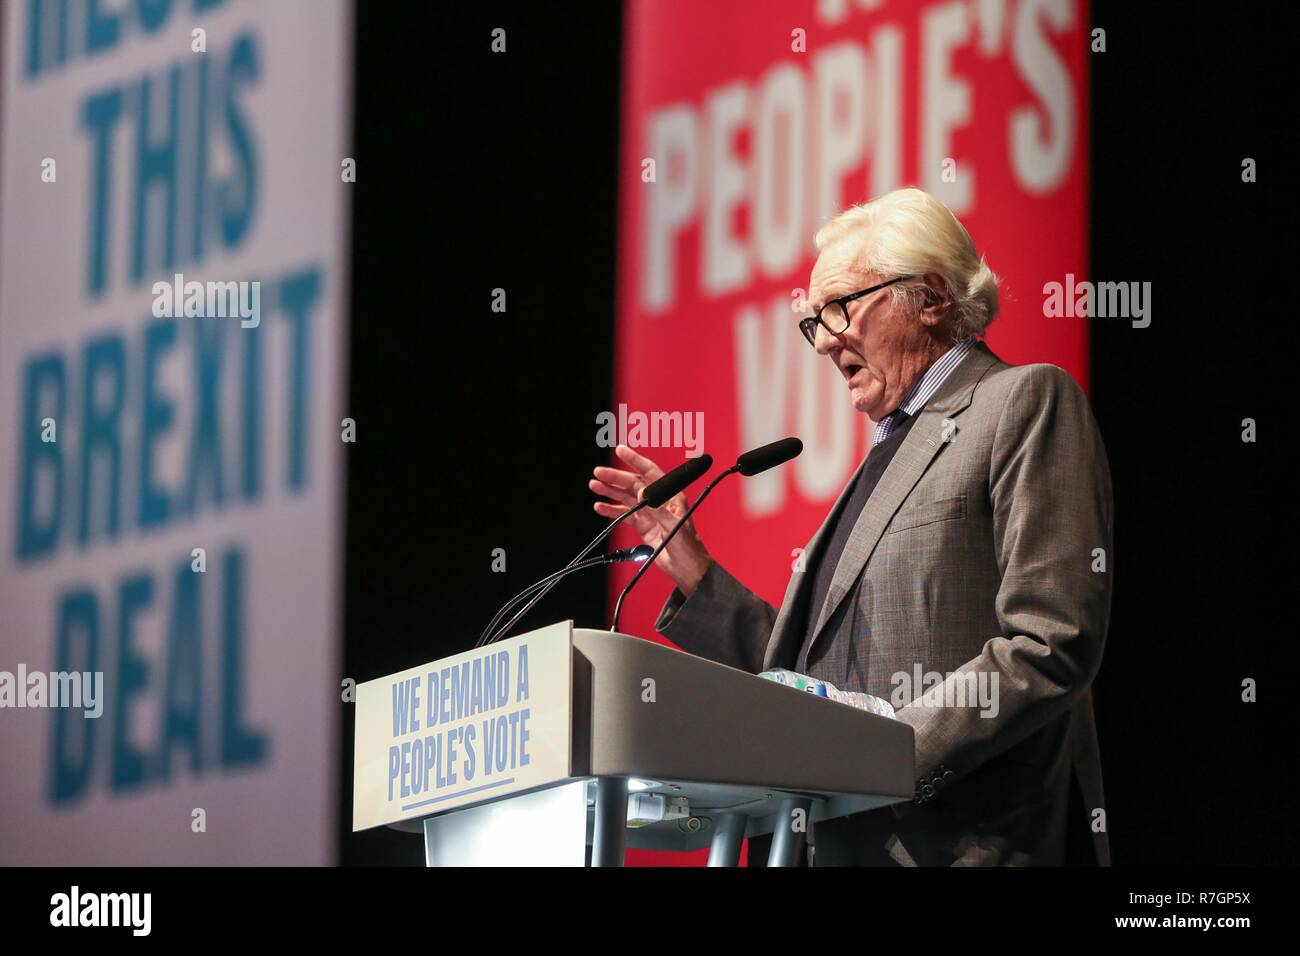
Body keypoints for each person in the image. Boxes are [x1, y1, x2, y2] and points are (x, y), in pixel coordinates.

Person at [590, 188, 1114, 866]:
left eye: (839, 308)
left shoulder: (1020, 402)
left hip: (962, 845)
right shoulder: (886, 454)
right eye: (814, 321)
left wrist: (883, 755)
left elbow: (1052, 641)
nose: (824, 340)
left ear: (930, 296)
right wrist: (694, 572)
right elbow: (808, 690)